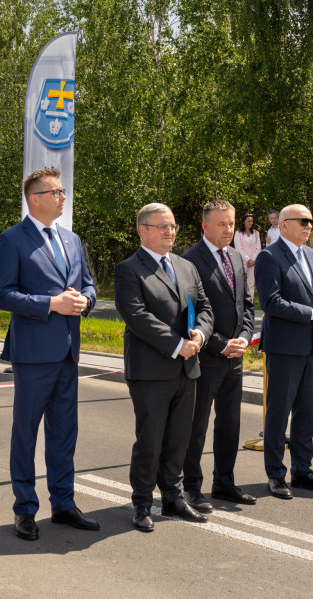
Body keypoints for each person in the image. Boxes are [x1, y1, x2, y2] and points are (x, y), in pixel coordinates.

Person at [0, 168, 98, 541]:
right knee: (26, 434)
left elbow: (88, 284)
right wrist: (51, 303)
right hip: (33, 353)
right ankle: (24, 509)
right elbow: (2, 295)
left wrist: (86, 300)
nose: (63, 197)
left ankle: (64, 504)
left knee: (65, 433)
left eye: (63, 191)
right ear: (34, 198)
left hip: (68, 352)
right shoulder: (12, 240)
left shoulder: (71, 239)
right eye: (55, 192)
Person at [114, 204, 213, 532]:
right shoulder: (129, 269)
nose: (170, 232)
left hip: (188, 367)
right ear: (143, 229)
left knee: (179, 439)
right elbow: (137, 316)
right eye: (162, 227)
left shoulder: (186, 266)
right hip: (151, 370)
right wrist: (176, 344)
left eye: (172, 227)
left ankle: (173, 496)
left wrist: (200, 332)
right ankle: (142, 502)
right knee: (151, 439)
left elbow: (204, 306)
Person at [254, 204, 313, 500]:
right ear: (283, 226)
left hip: (311, 346)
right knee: (278, 415)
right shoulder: (269, 256)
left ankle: (302, 471)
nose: (308, 225)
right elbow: (271, 302)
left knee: (307, 414)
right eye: (302, 221)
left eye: (309, 221)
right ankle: (276, 475)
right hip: (283, 348)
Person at [182, 200, 256, 508]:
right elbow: (188, 316)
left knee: (230, 424)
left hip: (234, 358)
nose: (228, 229)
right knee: (196, 427)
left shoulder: (237, 257)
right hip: (205, 358)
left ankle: (225, 483)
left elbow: (247, 305)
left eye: (231, 223)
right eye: (222, 224)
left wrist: (243, 337)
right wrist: (219, 343)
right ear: (205, 226)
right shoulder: (189, 261)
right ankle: (191, 488)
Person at [234, 212, 261, 301]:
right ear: (243, 222)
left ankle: (250, 303)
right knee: (241, 283)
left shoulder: (256, 233)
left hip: (253, 262)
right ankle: (241, 303)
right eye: (248, 221)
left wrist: (253, 260)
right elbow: (238, 248)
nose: (250, 223)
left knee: (251, 284)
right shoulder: (238, 233)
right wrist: (248, 259)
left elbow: (258, 247)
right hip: (242, 261)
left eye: (252, 221)